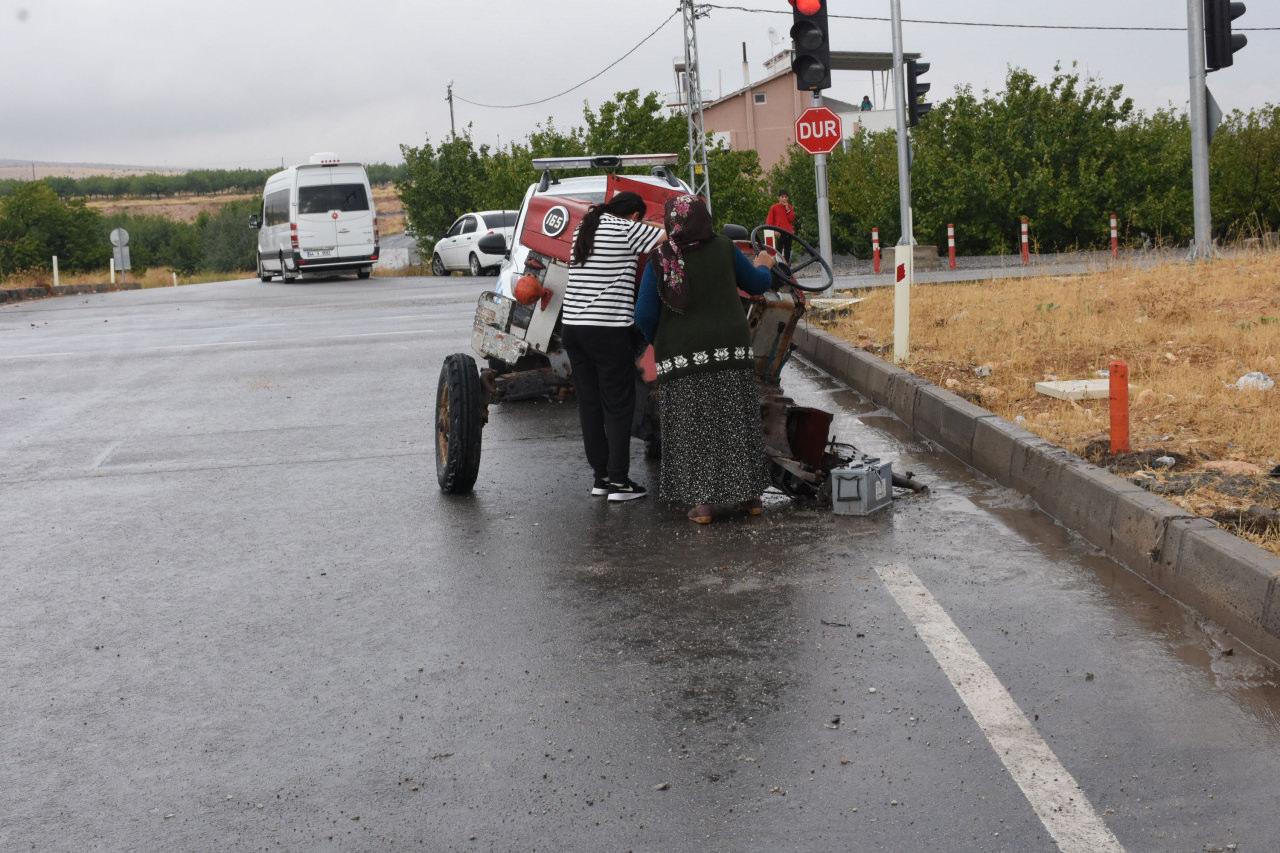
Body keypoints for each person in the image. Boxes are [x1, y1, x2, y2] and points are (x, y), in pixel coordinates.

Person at [635, 194, 776, 525]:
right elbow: (757, 285)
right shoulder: (725, 247)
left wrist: (661, 338)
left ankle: (703, 506)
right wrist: (765, 265)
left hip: (682, 358)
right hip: (731, 350)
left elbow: (643, 314)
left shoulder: (661, 257)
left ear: (672, 223)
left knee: (692, 427)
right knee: (736, 420)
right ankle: (750, 497)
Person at [561, 191, 665, 503]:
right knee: (618, 405)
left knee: (590, 405)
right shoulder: (626, 229)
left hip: (573, 328)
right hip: (606, 329)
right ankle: (619, 482)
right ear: (634, 215)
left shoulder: (586, 227)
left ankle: (601, 479)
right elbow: (670, 235)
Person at [765, 190, 796, 262]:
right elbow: (769, 221)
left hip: (788, 232)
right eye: (782, 197)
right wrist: (774, 231)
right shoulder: (774, 207)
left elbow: (791, 219)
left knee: (788, 250)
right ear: (778, 198)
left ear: (787, 198)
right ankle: (779, 266)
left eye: (786, 197)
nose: (784, 199)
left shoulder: (789, 207)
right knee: (778, 250)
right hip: (779, 231)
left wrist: (787, 209)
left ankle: (787, 267)